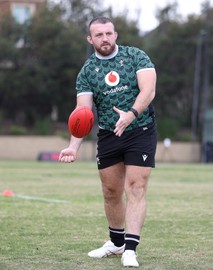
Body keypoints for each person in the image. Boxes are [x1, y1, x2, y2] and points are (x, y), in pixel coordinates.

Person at [59, 16, 157, 268]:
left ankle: (131, 249)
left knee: (135, 187)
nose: (105, 38)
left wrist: (131, 114)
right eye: (99, 35)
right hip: (109, 135)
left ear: (116, 35)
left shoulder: (136, 56)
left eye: (109, 33)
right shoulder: (87, 72)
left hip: (140, 129)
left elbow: (149, 90)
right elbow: (83, 114)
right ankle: (116, 243)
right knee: (111, 191)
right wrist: (73, 146)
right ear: (90, 39)